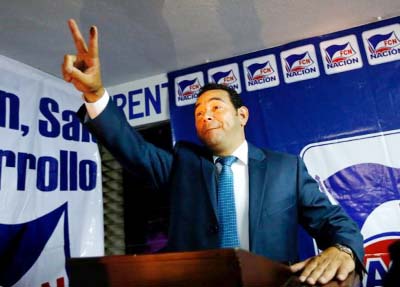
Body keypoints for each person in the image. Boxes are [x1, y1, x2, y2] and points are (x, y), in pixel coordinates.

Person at [62, 19, 364, 285]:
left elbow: (332, 221)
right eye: (198, 111)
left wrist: (344, 249)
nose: (205, 115)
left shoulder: (287, 169)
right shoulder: (181, 165)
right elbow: (132, 147)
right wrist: (95, 93)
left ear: (242, 116)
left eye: (216, 107)